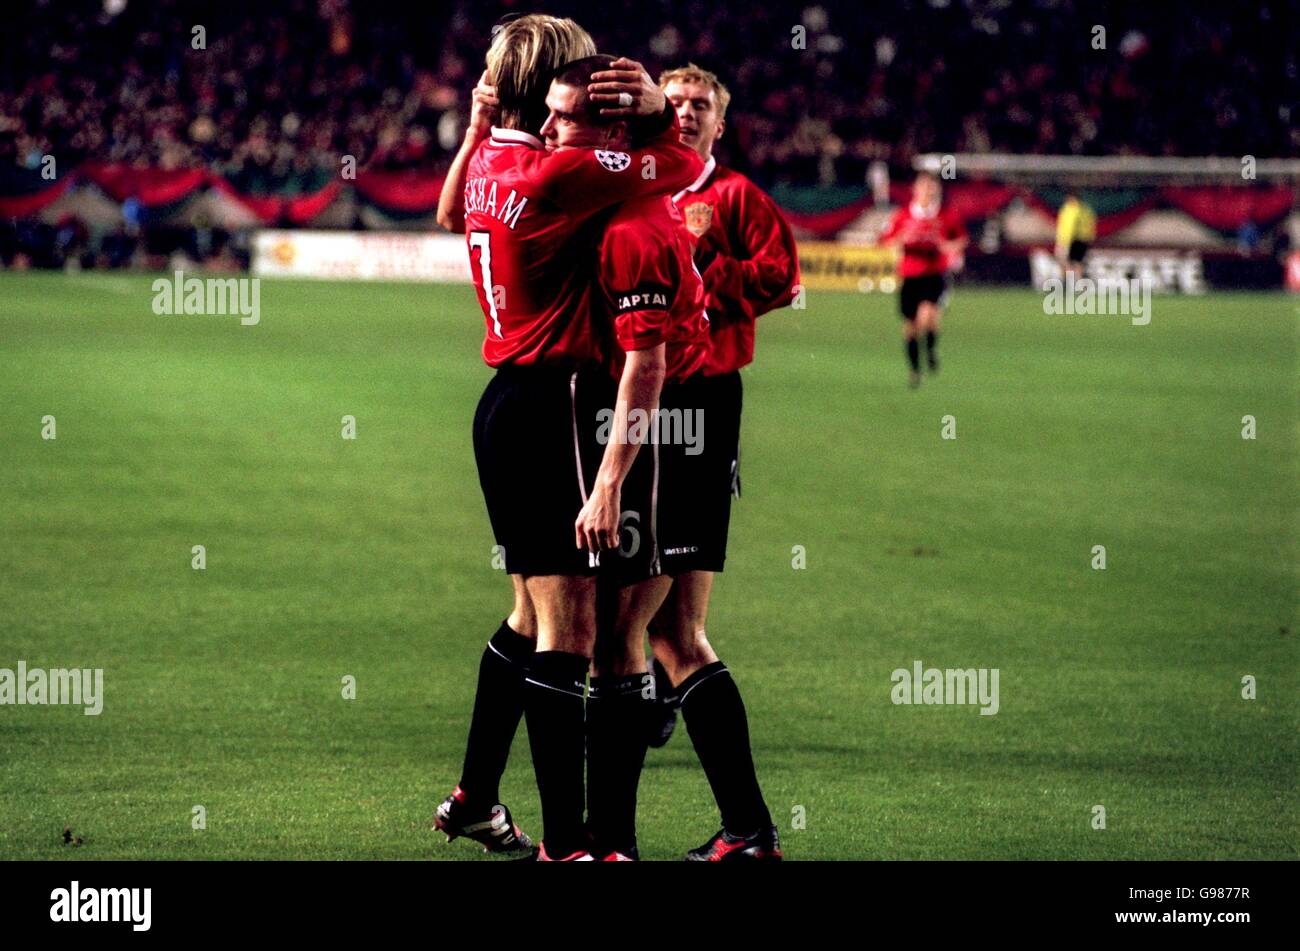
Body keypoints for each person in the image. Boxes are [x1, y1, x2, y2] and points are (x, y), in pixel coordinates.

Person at [430, 15, 704, 862]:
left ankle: (477, 796)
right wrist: (655, 108)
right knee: (572, 633)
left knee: (530, 614)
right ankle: (567, 846)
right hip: (552, 402)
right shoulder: (563, 173)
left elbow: (447, 216)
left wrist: (476, 128)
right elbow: (686, 164)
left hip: (503, 398)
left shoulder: (490, 159)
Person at [628, 63, 797, 860]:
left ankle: (731, 827)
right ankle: (741, 827)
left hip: (698, 403)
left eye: (702, 106)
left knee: (662, 624)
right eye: (678, 103)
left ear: (719, 126)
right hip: (632, 402)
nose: (688, 113)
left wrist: (706, 267)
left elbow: (782, 279)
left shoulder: (734, 198)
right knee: (659, 622)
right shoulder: (637, 188)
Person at [879, 172, 967, 387]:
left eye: (932, 187)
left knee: (927, 316)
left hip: (934, 273)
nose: (928, 191)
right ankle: (914, 370)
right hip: (910, 275)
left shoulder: (946, 215)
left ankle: (929, 350)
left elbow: (961, 239)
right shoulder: (903, 215)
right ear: (915, 190)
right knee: (910, 327)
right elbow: (886, 240)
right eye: (924, 186)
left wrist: (947, 247)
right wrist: (902, 239)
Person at [1055, 191, 1095, 277]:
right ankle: (1078, 283)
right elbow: (1091, 224)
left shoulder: (1071, 209)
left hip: (1070, 239)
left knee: (1066, 261)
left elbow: (1070, 226)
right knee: (1078, 262)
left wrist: (1063, 241)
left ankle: (1068, 283)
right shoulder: (1086, 209)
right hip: (1082, 239)